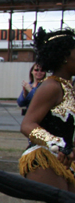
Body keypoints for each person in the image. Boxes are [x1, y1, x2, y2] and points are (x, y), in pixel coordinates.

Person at [19, 29, 75, 192]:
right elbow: (27, 125)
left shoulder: (69, 87)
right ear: (64, 57)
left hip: (65, 160)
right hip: (44, 160)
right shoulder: (51, 86)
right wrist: (59, 145)